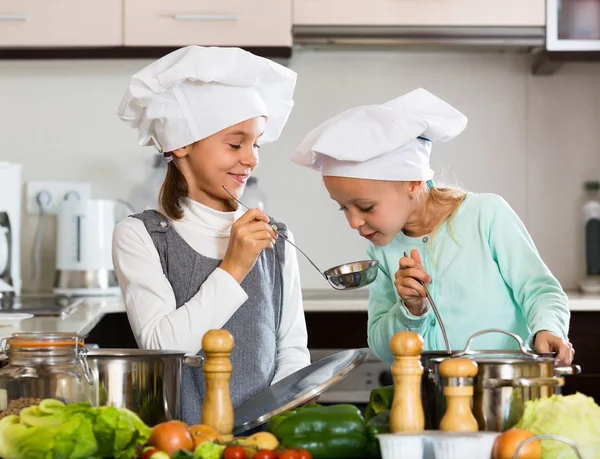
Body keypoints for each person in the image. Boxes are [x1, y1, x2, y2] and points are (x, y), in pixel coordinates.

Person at [291, 87, 574, 366]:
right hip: (431, 401)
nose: (353, 222)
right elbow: (382, 349)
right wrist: (410, 311)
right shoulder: (383, 252)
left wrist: (548, 328)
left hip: (502, 393)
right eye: (343, 207)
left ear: (413, 183)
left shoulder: (485, 215)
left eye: (365, 207)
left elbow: (540, 290)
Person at [113, 45, 311, 425]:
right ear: (182, 145)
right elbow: (161, 348)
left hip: (266, 441)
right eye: (235, 144)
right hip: (182, 440)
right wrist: (234, 266)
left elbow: (292, 349)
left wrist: (272, 427)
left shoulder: (274, 236)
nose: (252, 158)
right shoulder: (140, 235)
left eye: (256, 143)